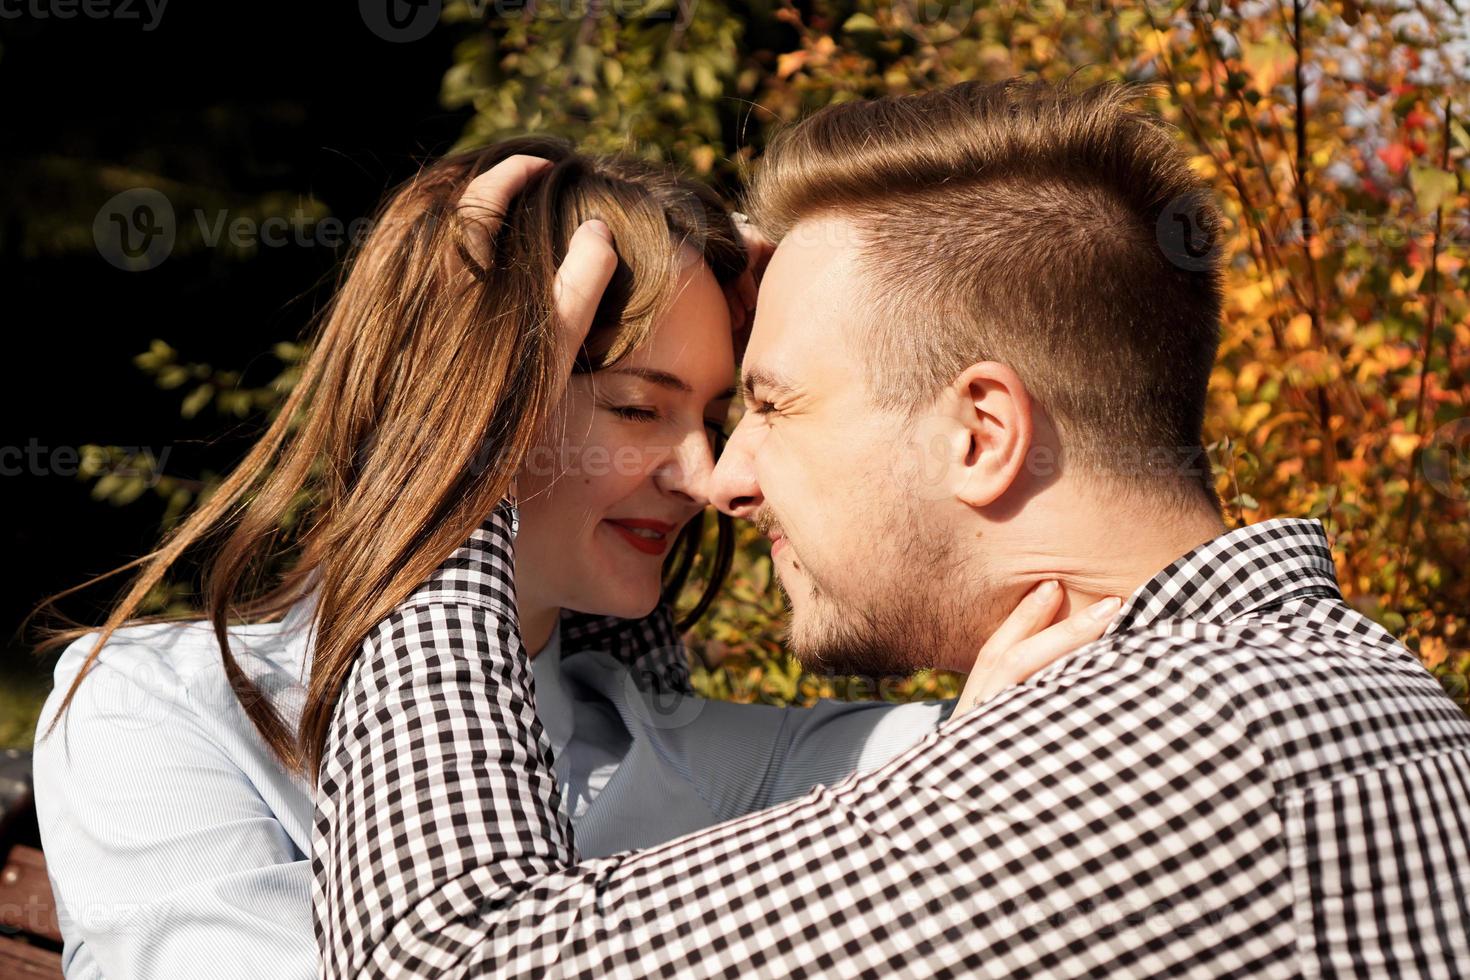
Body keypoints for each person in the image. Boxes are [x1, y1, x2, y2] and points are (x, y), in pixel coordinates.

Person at [314, 79, 1470, 977]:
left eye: (767, 403)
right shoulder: (1320, 688)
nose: (726, 476)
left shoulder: (1166, 750)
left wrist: (452, 469)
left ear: (979, 430)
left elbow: (450, 956)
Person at [32, 137, 1103, 979]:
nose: (702, 472)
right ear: (453, 399)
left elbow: (1014, 728)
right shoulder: (152, 707)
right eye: (638, 405)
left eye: (725, 410)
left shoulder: (697, 752)